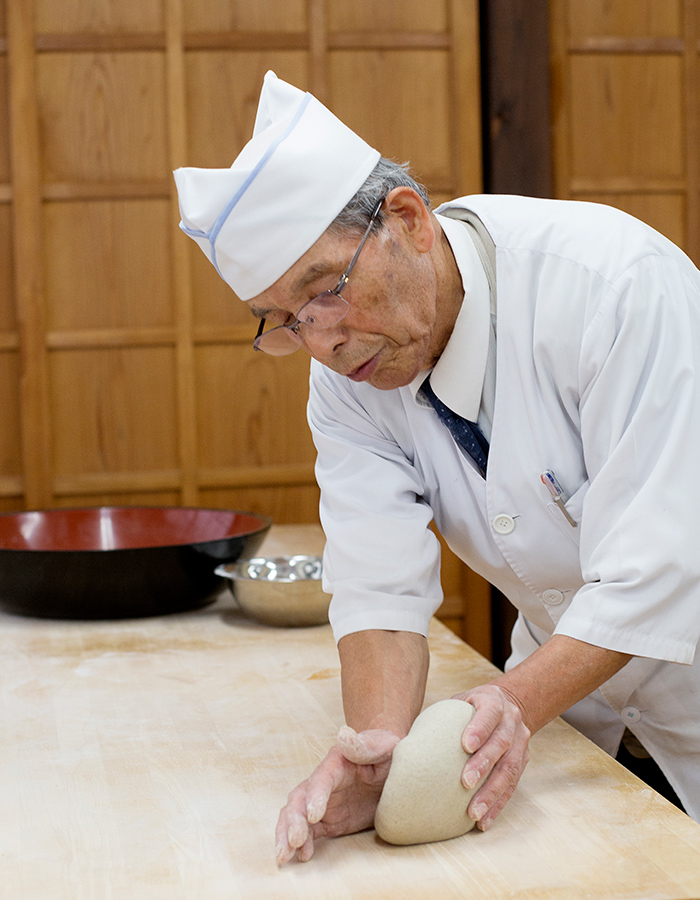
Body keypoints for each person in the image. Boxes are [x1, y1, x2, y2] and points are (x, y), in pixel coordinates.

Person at [174, 71, 700, 863]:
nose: (322, 343)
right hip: (578, 709)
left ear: (409, 220)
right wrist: (377, 749)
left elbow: (656, 568)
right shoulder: (348, 380)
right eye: (285, 323)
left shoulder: (612, 287)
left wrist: (509, 705)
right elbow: (379, 582)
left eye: (327, 292)